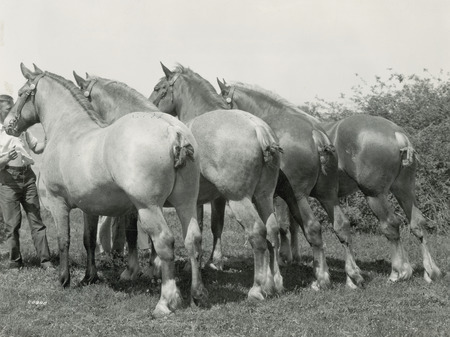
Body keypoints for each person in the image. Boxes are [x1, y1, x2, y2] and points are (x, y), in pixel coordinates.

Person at [0, 94, 53, 270]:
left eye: (13, 108)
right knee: (12, 225)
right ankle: (15, 262)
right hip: (8, 180)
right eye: (9, 109)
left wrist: (49, 139)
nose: (13, 113)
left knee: (36, 220)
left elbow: (36, 148)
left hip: (28, 177)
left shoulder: (20, 129)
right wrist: (6, 158)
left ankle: (46, 261)